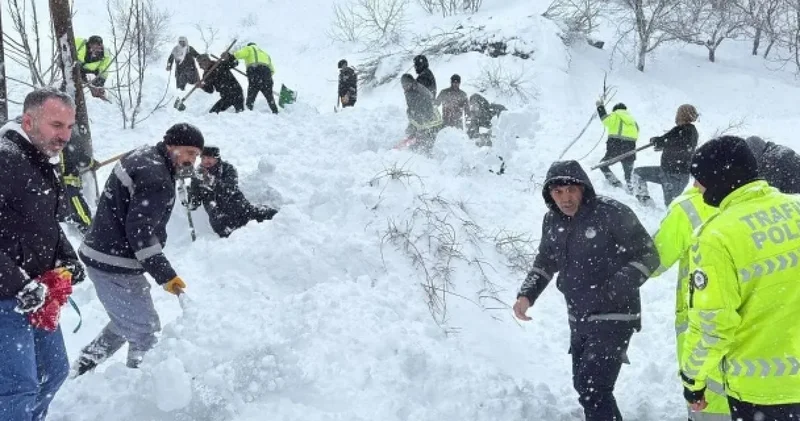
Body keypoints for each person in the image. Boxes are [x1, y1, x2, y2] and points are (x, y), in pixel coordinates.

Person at [513, 160, 660, 421]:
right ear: (550, 195)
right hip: (578, 316)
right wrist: (526, 295)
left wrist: (615, 287)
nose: (565, 198)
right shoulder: (552, 221)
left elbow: (649, 255)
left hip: (615, 314)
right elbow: (546, 261)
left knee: (594, 388)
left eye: (570, 190)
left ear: (583, 188)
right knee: (585, 387)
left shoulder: (611, 213)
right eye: (558, 192)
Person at [682, 136, 800, 420]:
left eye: (699, 178)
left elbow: (713, 326)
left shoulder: (716, 238)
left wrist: (692, 381)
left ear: (719, 177)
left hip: (764, 389)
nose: (696, 188)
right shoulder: (795, 210)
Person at [72, 123, 204, 375]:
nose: (192, 160)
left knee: (127, 321)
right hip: (114, 262)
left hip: (104, 252)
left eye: (196, 155)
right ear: (171, 145)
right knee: (145, 331)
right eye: (188, 152)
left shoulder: (144, 156)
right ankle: (140, 390)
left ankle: (83, 365)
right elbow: (140, 234)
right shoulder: (157, 178)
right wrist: (166, 275)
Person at [0, 88, 86, 420]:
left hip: (37, 295)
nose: (64, 136)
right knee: (16, 390)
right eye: (56, 125)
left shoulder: (39, 160)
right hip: (7, 299)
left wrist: (66, 257)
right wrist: (18, 283)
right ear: (28, 120)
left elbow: (43, 222)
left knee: (54, 372)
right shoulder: (5, 158)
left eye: (69, 127)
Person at [650, 182, 727, 420]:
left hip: (703, 320)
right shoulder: (776, 208)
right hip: (770, 352)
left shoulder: (688, 209)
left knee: (710, 400)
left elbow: (654, 262)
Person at [187, 146, 278, 238]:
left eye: (209, 158)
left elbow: (229, 190)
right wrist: (189, 196)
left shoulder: (228, 169)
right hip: (220, 219)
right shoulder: (198, 175)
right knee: (235, 241)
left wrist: (212, 182)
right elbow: (195, 202)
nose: (206, 161)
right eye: (203, 158)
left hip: (241, 209)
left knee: (273, 215)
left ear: (217, 158)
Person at [633, 104, 700, 207]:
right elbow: (666, 140)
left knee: (672, 207)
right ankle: (645, 201)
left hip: (675, 175)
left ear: (683, 115)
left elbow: (671, 142)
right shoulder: (682, 130)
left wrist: (660, 142)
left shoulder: (686, 131)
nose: (676, 116)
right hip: (665, 171)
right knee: (638, 173)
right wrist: (657, 141)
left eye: (678, 113)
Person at [595, 101, 640, 193]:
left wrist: (600, 106)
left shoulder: (615, 115)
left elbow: (604, 119)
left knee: (603, 165)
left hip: (616, 145)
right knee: (628, 172)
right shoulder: (632, 120)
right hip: (630, 147)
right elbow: (637, 132)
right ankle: (630, 187)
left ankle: (615, 184)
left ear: (615, 109)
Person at [223, 42, 278, 113]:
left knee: (252, 95)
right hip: (267, 74)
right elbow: (273, 71)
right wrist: (264, 77)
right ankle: (275, 111)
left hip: (254, 71)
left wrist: (231, 57)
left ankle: (248, 111)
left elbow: (239, 54)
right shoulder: (265, 54)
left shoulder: (249, 48)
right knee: (269, 96)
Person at [58, 142, 98, 235]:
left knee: (73, 208)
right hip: (68, 183)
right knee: (79, 209)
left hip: (61, 184)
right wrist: (92, 163)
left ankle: (85, 228)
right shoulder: (66, 143)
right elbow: (81, 157)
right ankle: (88, 229)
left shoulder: (52, 143)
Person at [400, 73, 442, 152]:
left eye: (406, 85)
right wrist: (410, 113)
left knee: (424, 137)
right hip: (420, 118)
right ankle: (409, 145)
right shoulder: (410, 91)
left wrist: (420, 122)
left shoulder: (419, 92)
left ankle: (423, 152)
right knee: (410, 131)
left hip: (431, 121)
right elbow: (412, 107)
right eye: (403, 86)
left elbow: (427, 108)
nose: (405, 87)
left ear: (411, 83)